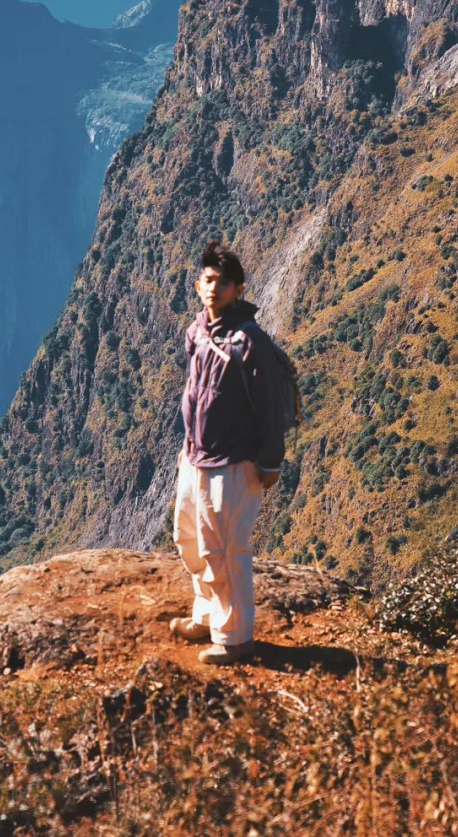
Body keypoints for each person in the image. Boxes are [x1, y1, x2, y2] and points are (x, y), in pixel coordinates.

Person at [170, 239, 285, 665]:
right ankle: (206, 614)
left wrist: (269, 461)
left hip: (233, 463)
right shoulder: (198, 331)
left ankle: (235, 638)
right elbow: (196, 392)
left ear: (237, 289)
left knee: (226, 548)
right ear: (199, 284)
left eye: (223, 282)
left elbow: (270, 405)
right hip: (196, 455)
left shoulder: (249, 342)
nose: (213, 288)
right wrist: (187, 448)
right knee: (190, 540)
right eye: (208, 279)